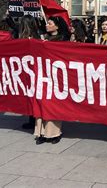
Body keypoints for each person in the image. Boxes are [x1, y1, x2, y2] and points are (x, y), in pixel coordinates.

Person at [34, 16, 70, 145]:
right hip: (42, 76)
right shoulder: (43, 38)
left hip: (56, 77)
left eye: (49, 23)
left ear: (57, 26)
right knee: (41, 104)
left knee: (54, 105)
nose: (46, 25)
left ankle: (54, 133)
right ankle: (41, 132)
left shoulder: (64, 40)